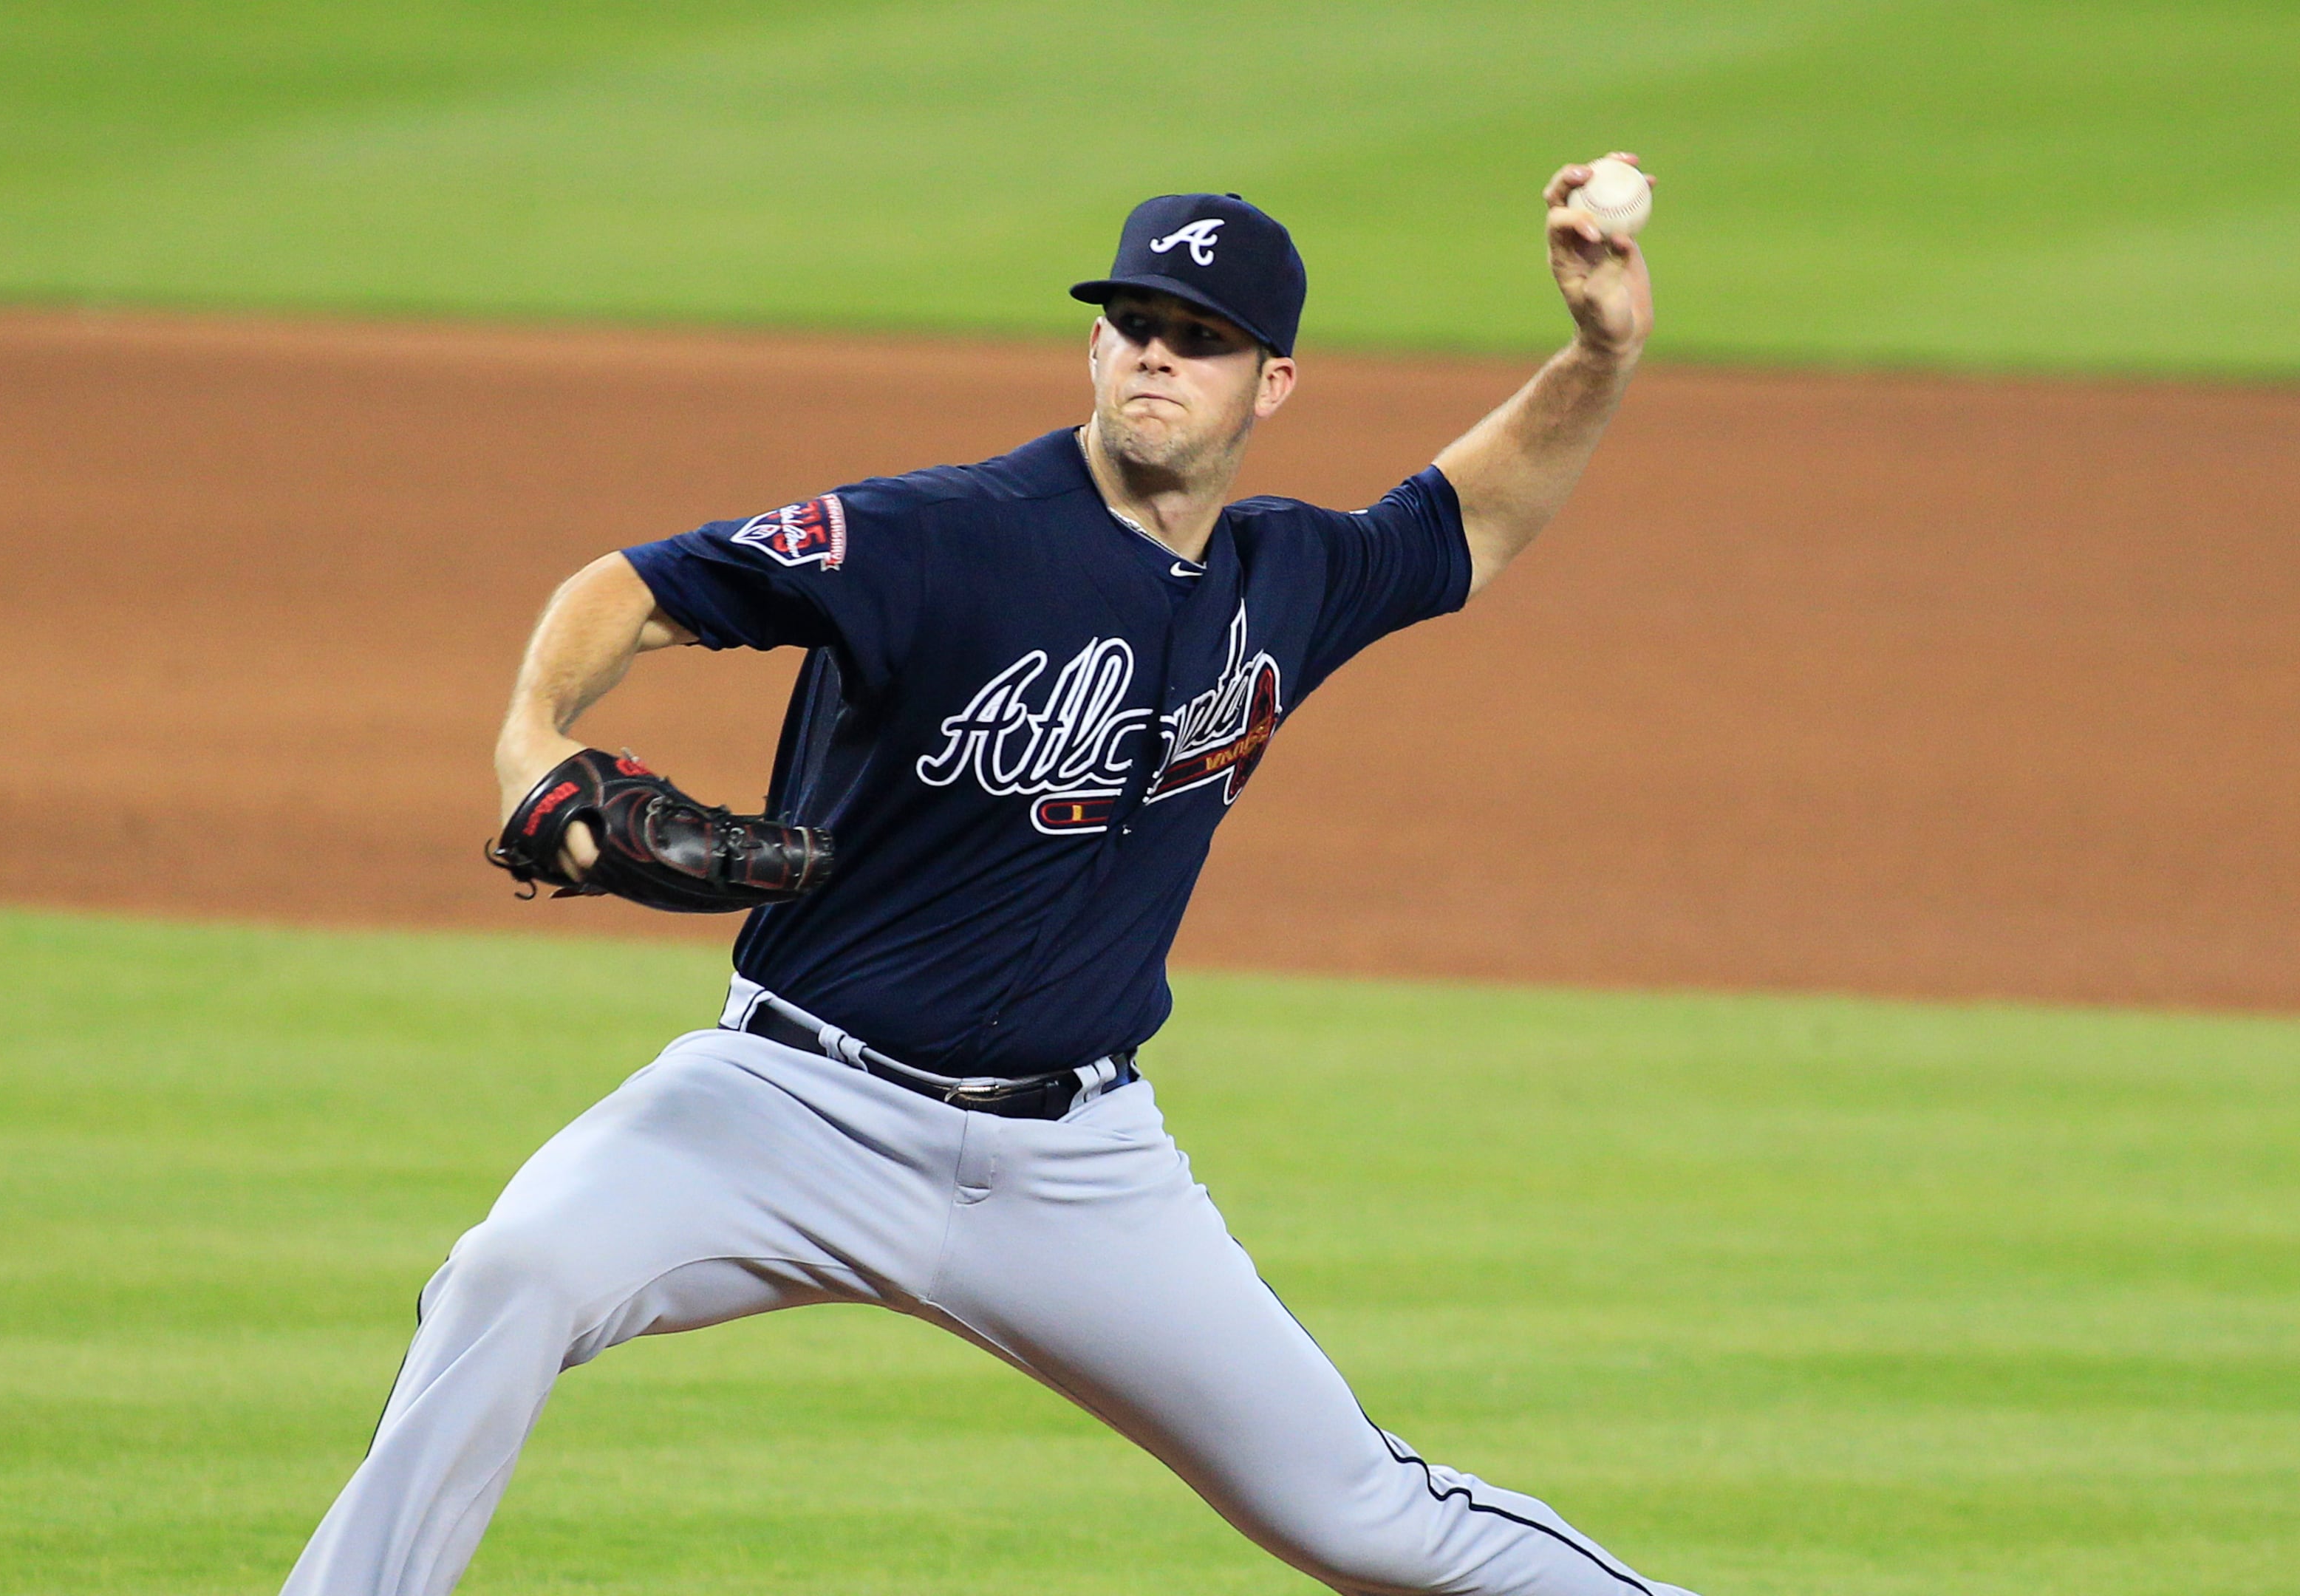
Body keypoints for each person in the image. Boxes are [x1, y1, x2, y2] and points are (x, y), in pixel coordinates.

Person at [282, 157, 1691, 1596]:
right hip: (787, 1108)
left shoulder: (1293, 579)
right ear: (1091, 345)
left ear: (1271, 386)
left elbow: (1474, 519)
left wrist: (1601, 350)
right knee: (511, 1274)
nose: (1157, 351)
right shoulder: (940, 534)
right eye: (1134, 319)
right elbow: (634, 590)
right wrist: (533, 742)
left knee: (1361, 1517)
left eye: (1201, 336)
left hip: (1074, 1169)